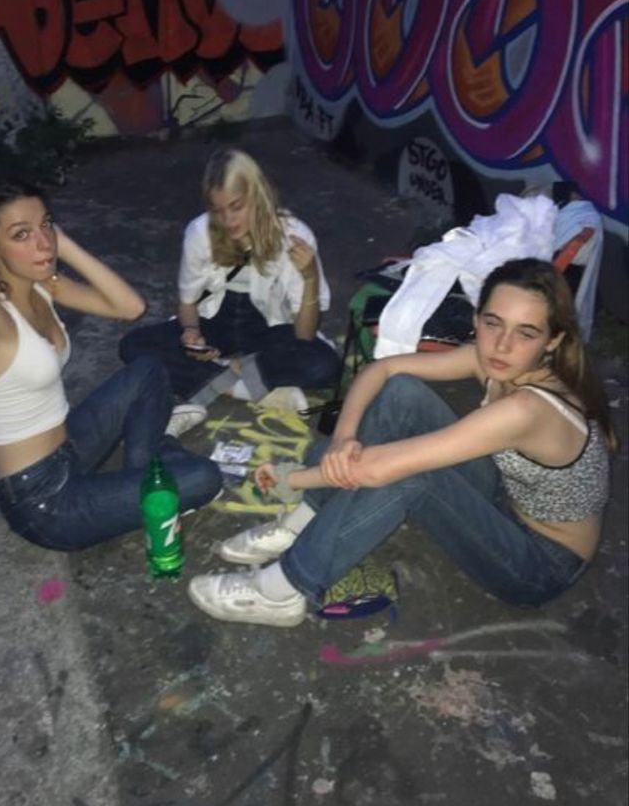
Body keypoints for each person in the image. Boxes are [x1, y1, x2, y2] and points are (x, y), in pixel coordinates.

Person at [187, 258, 615, 626]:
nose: (502, 344)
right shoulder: (496, 362)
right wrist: (345, 437)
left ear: (552, 341)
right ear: (476, 319)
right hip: (507, 498)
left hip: (538, 563)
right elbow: (385, 370)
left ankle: (282, 589)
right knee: (403, 395)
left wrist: (296, 477)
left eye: (526, 333)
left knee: (409, 476)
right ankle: (302, 523)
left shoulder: (527, 408)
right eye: (493, 323)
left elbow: (382, 469)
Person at [0, 181, 222, 551]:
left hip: (69, 447)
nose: (42, 243)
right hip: (45, 503)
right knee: (204, 476)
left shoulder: (42, 285)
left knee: (148, 369)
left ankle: (146, 479)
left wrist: (62, 244)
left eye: (45, 224)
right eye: (21, 234)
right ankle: (154, 478)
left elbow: (130, 308)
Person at [118, 148, 340, 410]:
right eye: (217, 210)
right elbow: (187, 303)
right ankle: (241, 385)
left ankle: (217, 378)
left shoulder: (294, 234)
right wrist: (192, 332)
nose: (228, 220)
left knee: (323, 366)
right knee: (133, 346)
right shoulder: (199, 231)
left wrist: (311, 277)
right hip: (215, 319)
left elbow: (304, 334)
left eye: (236, 207)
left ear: (257, 196)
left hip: (269, 324)